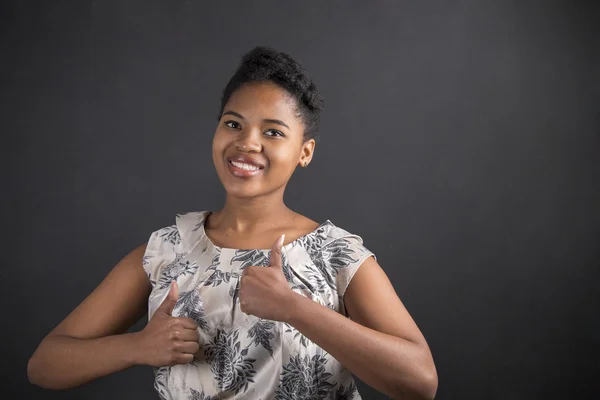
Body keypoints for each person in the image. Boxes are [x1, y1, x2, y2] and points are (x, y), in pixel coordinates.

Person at [28, 46, 438, 399]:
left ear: (305, 151)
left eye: (274, 132)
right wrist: (136, 346)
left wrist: (294, 308)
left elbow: (421, 382)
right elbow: (45, 364)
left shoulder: (336, 254)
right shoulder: (168, 250)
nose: (247, 142)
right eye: (233, 123)